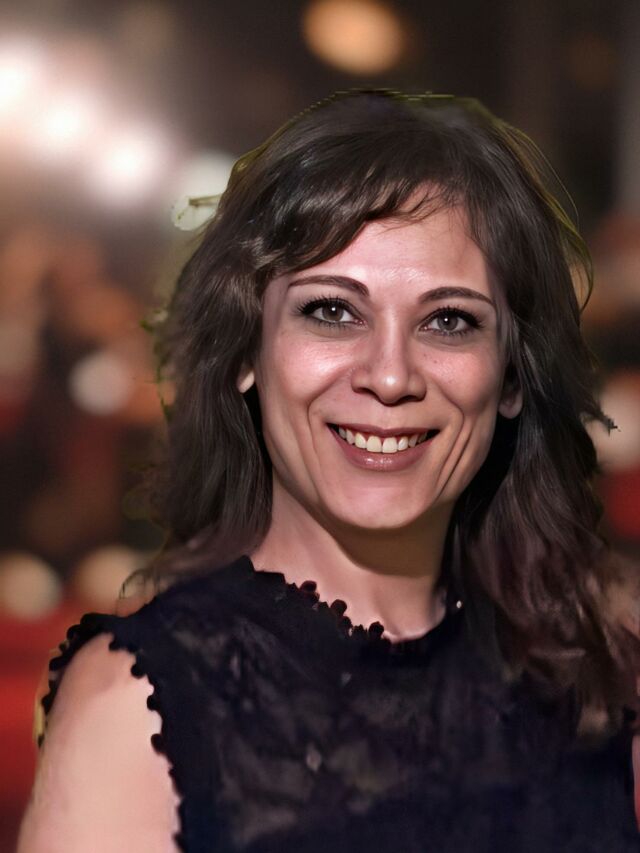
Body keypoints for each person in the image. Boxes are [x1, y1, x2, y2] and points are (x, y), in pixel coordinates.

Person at [18, 90, 640, 852]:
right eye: (333, 312)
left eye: (449, 320)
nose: (390, 375)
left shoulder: (595, 672)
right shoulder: (140, 713)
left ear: (511, 376)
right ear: (246, 350)